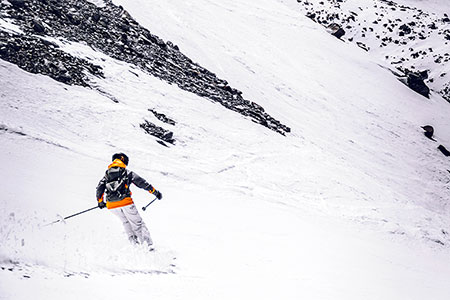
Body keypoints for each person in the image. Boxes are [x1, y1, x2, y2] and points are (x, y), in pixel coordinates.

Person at [96, 153, 162, 248]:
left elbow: (99, 188)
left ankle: (134, 246)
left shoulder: (107, 175)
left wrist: (100, 202)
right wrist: (155, 193)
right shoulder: (127, 172)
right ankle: (149, 247)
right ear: (123, 160)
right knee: (138, 223)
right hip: (125, 202)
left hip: (111, 206)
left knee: (126, 222)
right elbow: (142, 183)